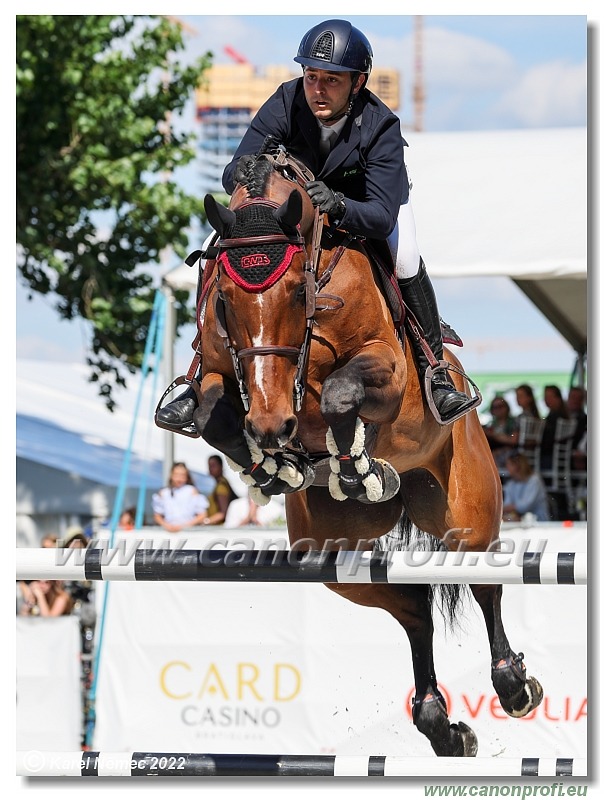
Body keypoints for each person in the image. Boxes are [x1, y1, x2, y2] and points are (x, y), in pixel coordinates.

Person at [156, 18, 476, 433]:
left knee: (406, 259)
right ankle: (197, 372)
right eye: (311, 77)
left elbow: (380, 217)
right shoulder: (286, 100)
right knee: (214, 246)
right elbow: (231, 171)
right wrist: (249, 170)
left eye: (331, 79)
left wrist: (340, 206)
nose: (318, 89)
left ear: (357, 83)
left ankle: (434, 370)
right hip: (301, 211)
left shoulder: (381, 127)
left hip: (367, 204)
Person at [152, 462, 209, 532]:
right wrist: (167, 526)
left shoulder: (192, 491)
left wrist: (184, 526)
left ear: (186, 476)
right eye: (176, 475)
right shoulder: (164, 492)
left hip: (189, 532)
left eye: (182, 475)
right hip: (168, 532)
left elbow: (202, 515)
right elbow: (157, 516)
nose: (179, 478)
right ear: (171, 475)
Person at [502, 452, 550, 522]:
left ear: (517, 466)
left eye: (509, 464)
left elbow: (525, 506)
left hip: (539, 522)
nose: (507, 467)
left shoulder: (534, 480)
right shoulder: (510, 484)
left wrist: (507, 508)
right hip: (520, 522)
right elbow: (507, 503)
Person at [539, 385, 569, 472]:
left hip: (549, 457)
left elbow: (548, 440)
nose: (546, 400)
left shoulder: (555, 417)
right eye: (545, 397)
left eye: (549, 397)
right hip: (558, 458)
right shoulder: (561, 415)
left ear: (558, 398)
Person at [482, 396, 517, 469]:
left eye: (500, 406)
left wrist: (494, 435)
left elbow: (513, 440)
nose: (498, 410)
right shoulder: (491, 424)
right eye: (495, 407)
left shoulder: (512, 422)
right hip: (494, 450)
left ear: (506, 407)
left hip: (510, 451)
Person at [202, 454, 238, 526]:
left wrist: (206, 521)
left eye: (213, 466)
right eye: (209, 466)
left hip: (219, 527)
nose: (210, 469)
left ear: (221, 466)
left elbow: (223, 513)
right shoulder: (220, 483)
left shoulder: (221, 486)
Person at [566, 385, 587, 450]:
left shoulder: (585, 420)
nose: (575, 401)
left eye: (579, 398)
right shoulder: (561, 416)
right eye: (573, 397)